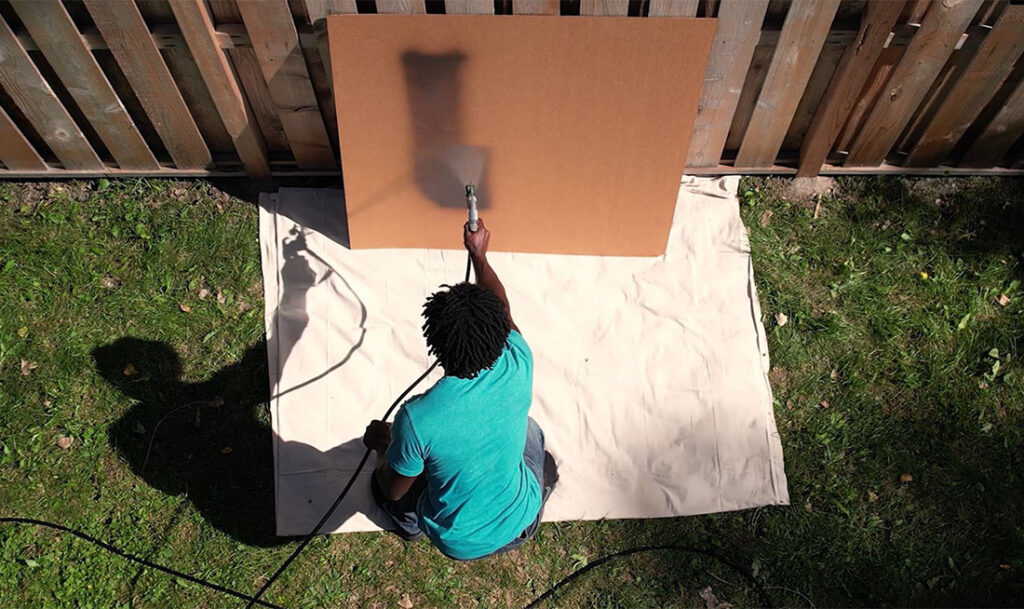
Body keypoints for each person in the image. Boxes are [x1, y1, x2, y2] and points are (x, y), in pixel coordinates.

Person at [362, 218, 556, 560]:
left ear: (436, 345)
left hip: (460, 543)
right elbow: (502, 305)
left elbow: (393, 490)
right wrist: (479, 255)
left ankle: (410, 527)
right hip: (523, 522)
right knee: (532, 432)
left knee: (385, 486)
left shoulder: (417, 419)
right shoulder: (518, 358)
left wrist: (383, 446)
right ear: (499, 330)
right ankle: (543, 481)